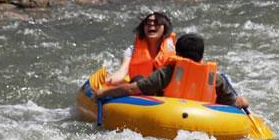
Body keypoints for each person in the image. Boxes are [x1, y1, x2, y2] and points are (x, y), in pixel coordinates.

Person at [94, 33, 250, 108]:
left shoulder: (169, 72)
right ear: (201, 55)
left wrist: (103, 93)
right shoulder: (215, 77)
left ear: (177, 53)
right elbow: (236, 102)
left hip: (167, 113)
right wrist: (243, 101)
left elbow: (131, 88)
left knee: (138, 79)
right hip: (202, 117)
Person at [105, 11, 176, 85]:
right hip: (140, 88)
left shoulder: (175, 51)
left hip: (164, 90)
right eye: (147, 23)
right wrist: (105, 83)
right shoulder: (131, 50)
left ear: (165, 28)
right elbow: (122, 71)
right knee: (138, 80)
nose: (151, 24)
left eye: (156, 22)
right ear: (143, 28)